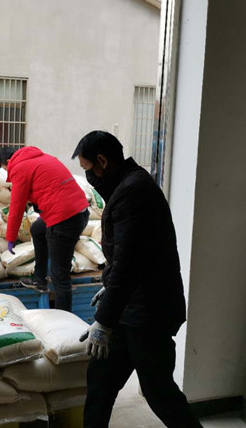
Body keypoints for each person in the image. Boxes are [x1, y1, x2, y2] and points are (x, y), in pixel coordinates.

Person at [72, 131, 202, 428]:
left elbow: (128, 265)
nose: (89, 177)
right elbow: (130, 256)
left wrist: (104, 321)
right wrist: (109, 288)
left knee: (159, 392)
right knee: (100, 382)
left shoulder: (133, 192)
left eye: (88, 169)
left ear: (103, 161)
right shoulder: (126, 186)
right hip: (129, 307)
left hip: (148, 313)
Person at [0, 146, 89, 311]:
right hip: (79, 212)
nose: (8, 174)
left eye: (5, 169)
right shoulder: (42, 158)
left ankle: (64, 320)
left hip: (63, 220)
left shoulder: (19, 168)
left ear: (9, 162)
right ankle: (39, 279)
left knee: (60, 277)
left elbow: (16, 206)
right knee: (38, 229)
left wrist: (11, 237)